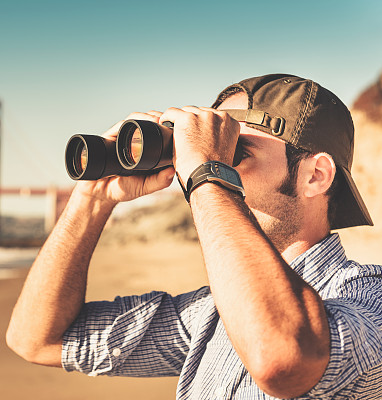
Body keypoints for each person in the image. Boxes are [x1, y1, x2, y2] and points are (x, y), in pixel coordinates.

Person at [7, 74, 382, 399]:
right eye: (210, 154)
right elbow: (37, 340)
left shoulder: (368, 296)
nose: (199, 176)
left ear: (315, 175)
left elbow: (281, 358)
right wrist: (92, 199)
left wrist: (207, 171)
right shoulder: (211, 313)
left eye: (234, 153)